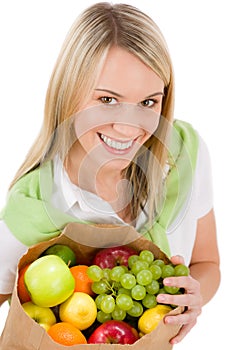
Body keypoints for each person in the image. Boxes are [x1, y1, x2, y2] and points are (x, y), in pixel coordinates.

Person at [0, 2, 220, 345]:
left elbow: (208, 262)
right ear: (68, 93)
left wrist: (194, 298)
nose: (129, 126)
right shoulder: (33, 210)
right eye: (107, 99)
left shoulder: (183, 153)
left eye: (148, 102)